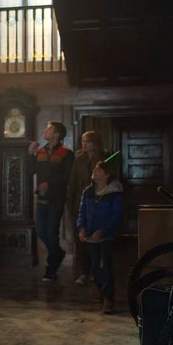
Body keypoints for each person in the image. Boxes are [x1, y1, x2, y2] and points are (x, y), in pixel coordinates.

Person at [27, 121, 74, 282]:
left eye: (49, 129)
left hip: (56, 198)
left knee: (51, 233)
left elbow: (67, 176)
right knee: (41, 231)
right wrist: (30, 155)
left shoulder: (66, 153)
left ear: (57, 134)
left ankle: (51, 269)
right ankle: (58, 253)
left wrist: (50, 184)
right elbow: (30, 171)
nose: (45, 131)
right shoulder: (40, 151)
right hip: (41, 197)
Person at [77, 160, 123, 314]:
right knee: (95, 266)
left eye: (98, 170)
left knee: (106, 267)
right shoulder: (88, 192)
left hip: (106, 237)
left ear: (106, 174)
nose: (94, 172)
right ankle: (99, 289)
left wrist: (103, 231)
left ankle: (108, 298)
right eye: (94, 170)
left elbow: (116, 216)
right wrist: (82, 228)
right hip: (91, 236)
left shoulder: (114, 194)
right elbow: (82, 212)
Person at [66, 131, 108, 286]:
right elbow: (74, 181)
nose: (85, 144)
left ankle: (96, 271)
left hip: (98, 203)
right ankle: (83, 272)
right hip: (80, 204)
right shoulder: (79, 160)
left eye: (88, 141)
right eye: (83, 141)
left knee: (96, 240)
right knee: (81, 241)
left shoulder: (103, 159)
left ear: (95, 143)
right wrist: (71, 204)